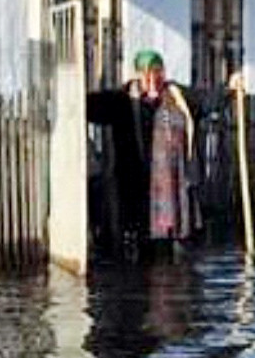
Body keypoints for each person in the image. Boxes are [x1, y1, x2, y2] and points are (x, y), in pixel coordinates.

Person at [86, 49, 202, 257]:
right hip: (131, 185)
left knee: (164, 252)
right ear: (138, 74)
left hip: (164, 190)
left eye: (157, 72)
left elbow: (206, 98)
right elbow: (93, 105)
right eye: (147, 74)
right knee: (130, 246)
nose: (152, 79)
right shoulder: (122, 100)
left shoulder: (176, 97)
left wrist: (230, 88)